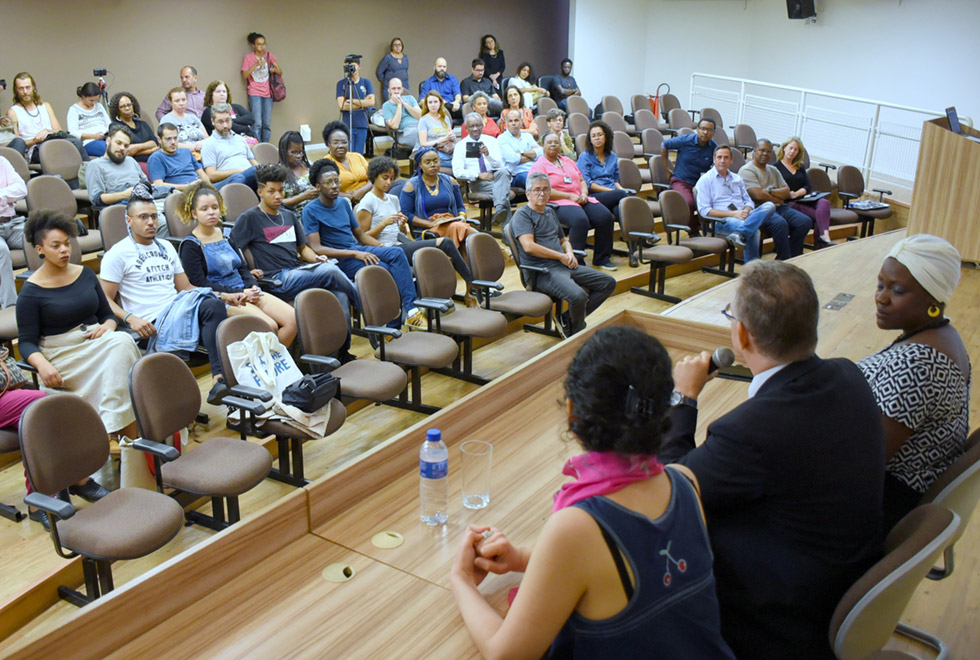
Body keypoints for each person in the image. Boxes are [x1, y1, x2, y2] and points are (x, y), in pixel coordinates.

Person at [452, 326, 735, 659]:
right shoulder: (685, 481)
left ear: (572, 413)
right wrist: (523, 559)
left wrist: (461, 581)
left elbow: (506, 654)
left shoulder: (579, 527)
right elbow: (628, 569)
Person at [661, 259, 886, 659]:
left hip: (782, 616)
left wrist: (683, 397)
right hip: (845, 577)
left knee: (649, 547)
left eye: (732, 316)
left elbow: (672, 488)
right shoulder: (848, 375)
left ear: (742, 334)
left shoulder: (748, 431)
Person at [857, 234, 971, 533]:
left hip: (881, 503)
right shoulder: (945, 335)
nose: (881, 297)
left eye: (897, 290)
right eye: (880, 285)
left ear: (934, 298)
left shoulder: (918, 363)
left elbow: (866, 460)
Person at [17, 210, 141, 445]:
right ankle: (125, 435)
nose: (64, 250)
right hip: (63, 355)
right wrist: (41, 364)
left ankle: (120, 435)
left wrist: (108, 325)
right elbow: (26, 341)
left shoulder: (85, 273)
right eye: (56, 246)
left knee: (121, 343)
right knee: (123, 347)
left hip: (97, 341)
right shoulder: (30, 292)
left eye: (67, 244)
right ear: (39, 249)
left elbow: (107, 314)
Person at [100, 185, 229, 403]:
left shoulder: (167, 247)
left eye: (154, 216)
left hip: (180, 310)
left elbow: (186, 288)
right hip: (153, 322)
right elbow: (103, 299)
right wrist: (130, 318)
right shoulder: (118, 254)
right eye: (143, 217)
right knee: (219, 325)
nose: (151, 222)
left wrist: (225, 296)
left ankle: (220, 381)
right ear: (129, 221)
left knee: (217, 307)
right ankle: (212, 383)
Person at [302, 158, 423, 327]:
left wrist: (381, 248)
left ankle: (410, 310)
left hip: (356, 249)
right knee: (385, 270)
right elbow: (316, 248)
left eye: (337, 180)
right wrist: (355, 253)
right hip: (340, 260)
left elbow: (360, 235)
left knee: (395, 253)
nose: (335, 185)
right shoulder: (311, 210)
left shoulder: (343, 203)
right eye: (328, 182)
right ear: (317, 186)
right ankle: (391, 325)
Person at [177, 182, 296, 345]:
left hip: (245, 290)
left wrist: (253, 287)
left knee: (293, 320)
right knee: (269, 326)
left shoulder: (225, 234)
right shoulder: (190, 245)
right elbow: (200, 283)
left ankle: (274, 364)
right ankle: (266, 367)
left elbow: (242, 267)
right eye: (204, 209)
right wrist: (241, 292)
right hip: (223, 298)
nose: (211, 212)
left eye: (214, 207)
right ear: (194, 213)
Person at [228, 164, 359, 311]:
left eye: (281, 190)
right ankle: (365, 304)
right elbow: (233, 248)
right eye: (271, 191)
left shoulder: (288, 215)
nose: (278, 195)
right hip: (277, 280)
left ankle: (343, 334)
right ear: (260, 192)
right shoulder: (250, 217)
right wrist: (248, 273)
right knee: (329, 270)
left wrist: (316, 258)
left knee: (339, 293)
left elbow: (303, 249)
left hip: (297, 271)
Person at [356, 156, 476, 306]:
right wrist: (384, 224)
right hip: (385, 249)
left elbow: (400, 232)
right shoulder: (368, 201)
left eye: (392, 178)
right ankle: (472, 283)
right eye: (384, 178)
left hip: (399, 243)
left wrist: (401, 225)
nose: (389, 182)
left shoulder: (392, 199)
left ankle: (456, 290)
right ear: (374, 177)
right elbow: (361, 238)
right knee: (445, 243)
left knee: (440, 250)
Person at [509, 172, 616, 336]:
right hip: (542, 272)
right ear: (528, 193)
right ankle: (576, 332)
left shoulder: (550, 212)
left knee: (608, 283)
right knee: (578, 296)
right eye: (537, 190)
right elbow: (529, 246)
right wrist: (560, 256)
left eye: (545, 189)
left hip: (563, 264)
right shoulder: (522, 215)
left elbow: (563, 240)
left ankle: (568, 320)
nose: (542, 193)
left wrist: (569, 252)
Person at [529, 134, 616, 271]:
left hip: (579, 197)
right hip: (558, 202)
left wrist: (584, 193)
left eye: (556, 142)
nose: (553, 145)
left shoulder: (567, 161)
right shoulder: (539, 166)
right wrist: (569, 196)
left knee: (605, 216)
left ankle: (602, 259)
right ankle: (576, 262)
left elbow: (582, 180)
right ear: (543, 145)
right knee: (580, 220)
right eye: (549, 142)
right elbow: (542, 190)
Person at [693, 145, 782, 263]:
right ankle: (753, 269)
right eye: (719, 157)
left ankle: (740, 233)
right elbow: (704, 211)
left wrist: (746, 210)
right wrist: (734, 214)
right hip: (722, 221)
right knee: (754, 231)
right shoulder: (706, 180)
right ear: (714, 159)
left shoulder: (736, 178)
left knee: (769, 205)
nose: (722, 160)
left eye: (726, 158)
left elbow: (748, 200)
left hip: (744, 215)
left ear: (731, 161)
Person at [738, 139, 811, 259]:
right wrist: (777, 197)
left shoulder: (773, 169)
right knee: (780, 223)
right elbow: (758, 196)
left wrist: (769, 191)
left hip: (779, 207)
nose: (765, 154)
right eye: (762, 150)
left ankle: (793, 255)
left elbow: (787, 192)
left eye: (768, 151)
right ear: (754, 151)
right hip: (760, 210)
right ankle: (784, 258)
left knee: (804, 221)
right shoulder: (747, 170)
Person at [400, 147, 476, 248]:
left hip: (452, 222)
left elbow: (460, 207)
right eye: (428, 162)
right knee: (464, 232)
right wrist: (430, 224)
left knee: (459, 229)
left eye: (436, 161)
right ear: (420, 165)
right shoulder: (411, 185)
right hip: (428, 229)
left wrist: (462, 216)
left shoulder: (450, 181)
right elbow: (406, 214)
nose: (433, 165)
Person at [6, 72, 87, 163]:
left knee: (77, 143)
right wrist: (35, 140)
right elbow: (16, 145)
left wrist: (47, 131)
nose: (25, 92)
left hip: (52, 141)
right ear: (16, 91)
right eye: (21, 88)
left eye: (28, 87)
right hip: (35, 149)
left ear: (33, 87)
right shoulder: (13, 112)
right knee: (55, 152)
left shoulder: (45, 106)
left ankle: (88, 174)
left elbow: (59, 130)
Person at [453, 112, 511, 228]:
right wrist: (478, 175)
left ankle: (500, 208)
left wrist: (488, 155)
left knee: (504, 172)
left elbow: (500, 164)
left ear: (482, 125)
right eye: (471, 126)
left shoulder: (492, 141)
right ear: (466, 128)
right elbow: (457, 172)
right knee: (503, 194)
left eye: (478, 125)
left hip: (496, 176)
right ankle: (507, 232)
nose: (475, 129)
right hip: (478, 182)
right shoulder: (461, 145)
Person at [775, 137, 833, 248]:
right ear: (784, 148)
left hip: (803, 198)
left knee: (824, 202)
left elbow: (808, 186)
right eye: (790, 148)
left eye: (795, 150)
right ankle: (820, 243)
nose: (792, 152)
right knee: (820, 217)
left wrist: (797, 193)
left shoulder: (800, 166)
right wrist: (790, 194)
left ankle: (825, 236)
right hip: (789, 202)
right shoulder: (775, 167)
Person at [661, 118, 717, 231]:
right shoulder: (685, 140)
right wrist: (667, 170)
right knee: (689, 203)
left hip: (700, 184)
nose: (705, 132)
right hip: (681, 180)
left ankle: (709, 226)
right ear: (697, 129)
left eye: (709, 130)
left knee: (716, 201)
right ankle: (693, 230)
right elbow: (664, 145)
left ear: (714, 132)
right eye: (703, 129)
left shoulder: (714, 147)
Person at [85, 124, 150, 208]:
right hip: (121, 208)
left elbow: (147, 185)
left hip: (144, 202)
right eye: (118, 143)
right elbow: (96, 199)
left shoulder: (131, 160)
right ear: (108, 141)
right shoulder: (96, 165)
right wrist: (124, 194)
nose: (122, 148)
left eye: (126, 146)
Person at [577, 120, 630, 222]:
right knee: (622, 196)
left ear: (606, 137)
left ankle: (634, 236)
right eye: (593, 136)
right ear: (590, 140)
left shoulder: (613, 156)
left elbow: (615, 180)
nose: (597, 138)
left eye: (600, 135)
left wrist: (621, 189)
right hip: (594, 195)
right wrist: (615, 192)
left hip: (613, 194)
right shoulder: (584, 157)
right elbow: (588, 184)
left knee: (619, 209)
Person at [201, 103, 258, 190]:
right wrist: (239, 171)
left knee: (269, 172)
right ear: (212, 121)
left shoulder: (240, 139)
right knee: (239, 177)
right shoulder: (209, 144)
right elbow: (211, 175)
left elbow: (253, 162)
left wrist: (264, 171)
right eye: (220, 122)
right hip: (228, 181)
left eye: (228, 120)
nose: (225, 125)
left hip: (249, 176)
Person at [241, 32, 281, 143]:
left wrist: (274, 70)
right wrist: (256, 65)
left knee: (266, 124)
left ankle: (266, 146)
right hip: (254, 92)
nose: (262, 46)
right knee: (257, 123)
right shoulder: (248, 58)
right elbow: (244, 76)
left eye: (263, 44)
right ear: (253, 45)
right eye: (259, 44)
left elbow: (280, 71)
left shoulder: (269, 56)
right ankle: (258, 148)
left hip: (268, 93)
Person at [0, 155, 27, 308]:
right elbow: (14, 191)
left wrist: (1, 195)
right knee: (2, 250)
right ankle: (10, 307)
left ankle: (49, 293)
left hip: (12, 223)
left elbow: (22, 189)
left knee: (42, 238)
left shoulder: (2, 161)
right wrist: (8, 196)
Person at [148, 123, 209, 191]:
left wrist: (209, 188)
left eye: (175, 138)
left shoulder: (186, 152)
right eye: (168, 139)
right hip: (179, 193)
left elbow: (202, 175)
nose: (173, 142)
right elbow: (158, 184)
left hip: (200, 189)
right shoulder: (156, 158)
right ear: (159, 140)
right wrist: (188, 187)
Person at [322, 121, 371, 203]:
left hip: (369, 195)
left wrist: (361, 192)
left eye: (344, 142)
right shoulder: (325, 163)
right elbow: (325, 191)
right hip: (345, 202)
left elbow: (374, 178)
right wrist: (350, 196)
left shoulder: (357, 156)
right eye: (336, 142)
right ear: (328, 144)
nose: (340, 146)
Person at [335, 57, 374, 155]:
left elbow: (372, 102)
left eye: (353, 65)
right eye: (349, 66)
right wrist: (363, 103)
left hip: (362, 124)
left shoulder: (366, 83)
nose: (351, 68)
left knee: (358, 155)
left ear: (359, 66)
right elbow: (342, 105)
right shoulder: (341, 84)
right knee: (347, 154)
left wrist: (352, 101)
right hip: (347, 124)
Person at [108, 92, 159, 164]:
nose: (127, 108)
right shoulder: (115, 126)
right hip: (132, 163)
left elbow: (154, 144)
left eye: (129, 105)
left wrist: (136, 148)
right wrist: (150, 150)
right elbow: (126, 151)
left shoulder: (143, 124)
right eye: (122, 106)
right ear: (117, 110)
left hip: (153, 160)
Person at [498, 109, 543, 189]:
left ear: (521, 122)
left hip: (535, 169)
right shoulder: (502, 139)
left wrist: (521, 152)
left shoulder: (527, 136)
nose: (513, 123)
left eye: (516, 120)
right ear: (506, 124)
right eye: (510, 121)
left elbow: (541, 153)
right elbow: (513, 158)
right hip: (517, 174)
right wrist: (532, 155)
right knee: (533, 180)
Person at [159, 87, 208, 155]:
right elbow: (168, 143)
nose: (181, 103)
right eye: (177, 101)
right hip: (181, 155)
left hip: (203, 153)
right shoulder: (166, 120)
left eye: (183, 100)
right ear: (171, 102)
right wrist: (193, 147)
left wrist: (200, 145)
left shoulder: (193, 117)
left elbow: (207, 138)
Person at [66, 82, 110, 158]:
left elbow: (109, 124)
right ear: (83, 96)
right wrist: (94, 136)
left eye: (96, 100)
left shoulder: (99, 106)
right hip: (89, 141)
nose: (94, 103)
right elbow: (73, 132)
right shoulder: (74, 110)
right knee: (109, 150)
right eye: (91, 100)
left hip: (105, 137)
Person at [279, 130, 317, 215]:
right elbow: (278, 203)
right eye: (294, 152)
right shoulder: (278, 173)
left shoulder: (310, 165)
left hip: (317, 210)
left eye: (301, 152)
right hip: (296, 216)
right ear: (284, 151)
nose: (299, 156)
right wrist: (303, 196)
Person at [416, 91, 457, 166]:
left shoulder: (445, 118)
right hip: (431, 151)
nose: (433, 105)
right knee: (456, 163)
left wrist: (452, 137)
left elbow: (450, 135)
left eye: (435, 102)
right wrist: (443, 139)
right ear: (427, 105)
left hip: (446, 148)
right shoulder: (423, 120)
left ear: (440, 103)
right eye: (430, 102)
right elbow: (423, 144)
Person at [382, 78, 421, 149]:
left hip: (419, 127)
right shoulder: (386, 105)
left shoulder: (410, 98)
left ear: (402, 90)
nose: (396, 91)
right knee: (422, 135)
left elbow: (420, 116)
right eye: (393, 88)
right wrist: (399, 105)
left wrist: (404, 104)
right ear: (389, 90)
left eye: (398, 88)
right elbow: (394, 126)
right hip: (405, 132)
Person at [420, 58, 462, 122]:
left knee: (466, 108)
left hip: (454, 107)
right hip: (439, 109)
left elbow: (457, 94)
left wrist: (457, 102)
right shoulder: (428, 83)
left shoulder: (453, 79)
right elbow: (421, 101)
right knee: (446, 106)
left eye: (444, 67)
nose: (442, 68)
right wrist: (437, 103)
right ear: (434, 67)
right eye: (439, 66)